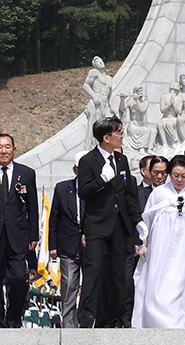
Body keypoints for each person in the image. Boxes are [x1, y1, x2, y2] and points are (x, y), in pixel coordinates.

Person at [77, 116, 143, 328]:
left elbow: (128, 195)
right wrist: (101, 180)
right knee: (94, 269)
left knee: (119, 274)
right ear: (106, 137)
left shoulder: (121, 160)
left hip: (119, 226)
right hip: (96, 225)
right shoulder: (88, 161)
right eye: (118, 133)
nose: (122, 136)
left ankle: (117, 317)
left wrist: (137, 221)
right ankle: (86, 314)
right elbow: (83, 192)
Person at [132, 155, 185, 328]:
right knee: (160, 283)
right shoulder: (159, 193)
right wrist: (144, 243)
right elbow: (147, 219)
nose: (179, 180)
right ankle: (158, 321)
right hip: (161, 248)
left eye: (183, 176)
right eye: (175, 175)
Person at [0, 133, 39, 328]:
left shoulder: (27, 174)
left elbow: (32, 207)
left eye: (7, 146)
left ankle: (13, 319)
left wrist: (33, 234)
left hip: (18, 236)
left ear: (14, 149)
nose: (3, 150)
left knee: (18, 278)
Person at [48, 151, 87, 328]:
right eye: (81, 168)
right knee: (69, 285)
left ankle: (87, 323)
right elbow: (54, 218)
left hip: (91, 246)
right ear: (75, 169)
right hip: (67, 245)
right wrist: (53, 245)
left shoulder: (97, 189)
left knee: (90, 287)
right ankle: (69, 327)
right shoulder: (63, 188)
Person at [83, 56, 116, 150]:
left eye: (101, 60)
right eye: (97, 62)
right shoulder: (94, 73)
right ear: (94, 65)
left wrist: (112, 107)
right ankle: (94, 148)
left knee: (108, 127)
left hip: (105, 105)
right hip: (97, 104)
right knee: (97, 127)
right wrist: (94, 97)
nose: (100, 62)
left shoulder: (109, 78)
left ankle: (106, 148)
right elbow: (85, 86)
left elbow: (109, 96)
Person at [157, 81, 183, 148]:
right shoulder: (164, 96)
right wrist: (169, 104)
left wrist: (173, 104)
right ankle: (164, 144)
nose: (178, 85)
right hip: (165, 117)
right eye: (176, 84)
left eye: (178, 85)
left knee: (169, 124)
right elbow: (162, 110)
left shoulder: (179, 98)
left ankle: (174, 142)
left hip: (173, 118)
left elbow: (179, 112)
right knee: (159, 124)